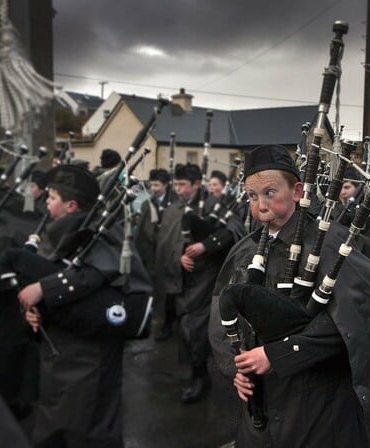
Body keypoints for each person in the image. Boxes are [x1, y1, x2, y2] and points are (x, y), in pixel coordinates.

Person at [209, 145, 370, 448]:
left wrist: (278, 354)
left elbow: (364, 317)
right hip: (260, 408)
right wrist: (236, 366)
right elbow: (221, 315)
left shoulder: (330, 241)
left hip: (319, 406)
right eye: (252, 197)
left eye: (270, 192)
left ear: (298, 191)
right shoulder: (245, 249)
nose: (261, 206)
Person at [14, 164, 152, 447]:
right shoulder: (59, 234)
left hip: (90, 363)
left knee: (88, 434)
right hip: (58, 357)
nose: (46, 204)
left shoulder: (104, 236)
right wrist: (36, 312)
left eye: (52, 198)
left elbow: (92, 287)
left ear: (72, 205)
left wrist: (45, 289)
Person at [155, 163, 238, 404]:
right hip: (181, 280)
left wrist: (206, 245)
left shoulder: (214, 205)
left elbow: (233, 232)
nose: (179, 189)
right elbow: (164, 245)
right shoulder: (173, 209)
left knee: (195, 329)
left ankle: (200, 378)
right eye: (177, 184)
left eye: (184, 185)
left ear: (197, 184)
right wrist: (178, 256)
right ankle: (190, 373)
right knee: (185, 329)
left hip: (207, 279)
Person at [135, 169, 175, 341]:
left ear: (165, 185)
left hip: (170, 257)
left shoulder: (174, 204)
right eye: (152, 185)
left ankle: (168, 324)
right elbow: (141, 234)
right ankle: (154, 321)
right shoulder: (146, 205)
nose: (154, 188)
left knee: (170, 293)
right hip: (151, 257)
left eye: (157, 185)